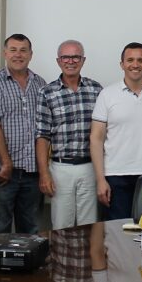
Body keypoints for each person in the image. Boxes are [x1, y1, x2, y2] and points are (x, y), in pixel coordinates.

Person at [90, 42, 142, 221]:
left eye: (141, 60)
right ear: (122, 64)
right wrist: (100, 179)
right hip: (115, 176)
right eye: (130, 60)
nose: (135, 64)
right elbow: (96, 138)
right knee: (117, 234)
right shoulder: (107, 94)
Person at [0, 34, 46, 234]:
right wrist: (6, 162)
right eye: (13, 50)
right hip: (3, 173)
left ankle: (30, 266)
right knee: (0, 229)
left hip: (33, 172)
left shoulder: (40, 83)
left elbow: (45, 126)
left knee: (31, 229)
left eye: (23, 50)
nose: (18, 55)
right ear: (5, 53)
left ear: (31, 54)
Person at [36, 40, 103, 230]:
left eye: (76, 57)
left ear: (83, 60)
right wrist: (44, 173)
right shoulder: (47, 92)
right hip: (60, 168)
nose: (71, 61)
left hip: (89, 167)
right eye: (66, 56)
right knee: (61, 225)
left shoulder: (96, 90)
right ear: (59, 61)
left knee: (89, 226)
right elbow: (42, 136)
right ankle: (60, 260)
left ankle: (86, 260)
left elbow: (104, 133)